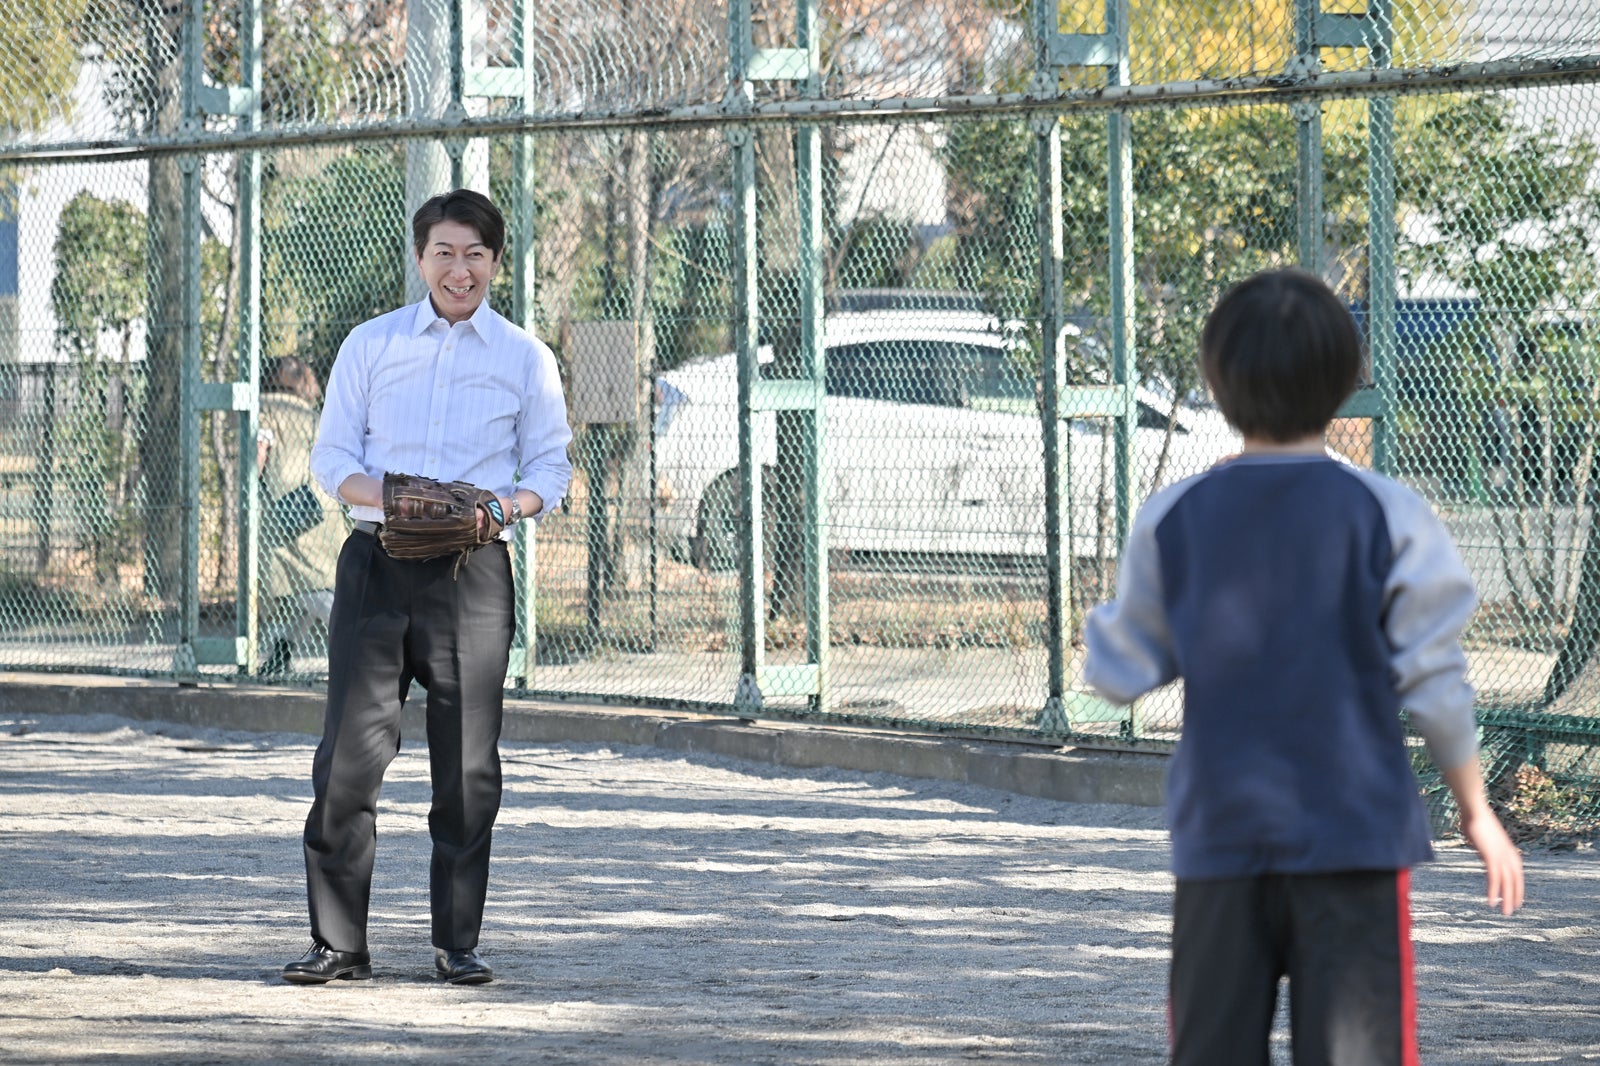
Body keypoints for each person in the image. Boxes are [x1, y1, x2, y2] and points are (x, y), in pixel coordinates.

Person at [1081, 267, 1524, 1066]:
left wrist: (1121, 617)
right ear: (1345, 383)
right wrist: (1475, 811)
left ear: (1218, 383)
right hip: (1355, 836)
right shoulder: (1390, 514)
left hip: (1222, 836)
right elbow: (1436, 682)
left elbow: (1118, 673)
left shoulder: (1173, 518)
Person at [283, 189, 572, 986]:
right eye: (444, 252)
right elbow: (332, 458)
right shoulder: (371, 344)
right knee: (348, 758)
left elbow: (550, 468)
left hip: (473, 573)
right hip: (376, 564)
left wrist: (498, 509)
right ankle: (339, 943)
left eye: (475, 254)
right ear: (420, 259)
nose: (459, 269)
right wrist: (398, 498)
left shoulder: (525, 358)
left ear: (495, 263)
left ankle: (458, 942)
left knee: (469, 766)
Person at [257, 356, 341, 677]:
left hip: (287, 508)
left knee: (307, 584)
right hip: (322, 506)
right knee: (306, 583)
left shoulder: (265, 408)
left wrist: (248, 486)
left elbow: (260, 451)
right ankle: (281, 651)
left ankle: (356, 645)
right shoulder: (311, 414)